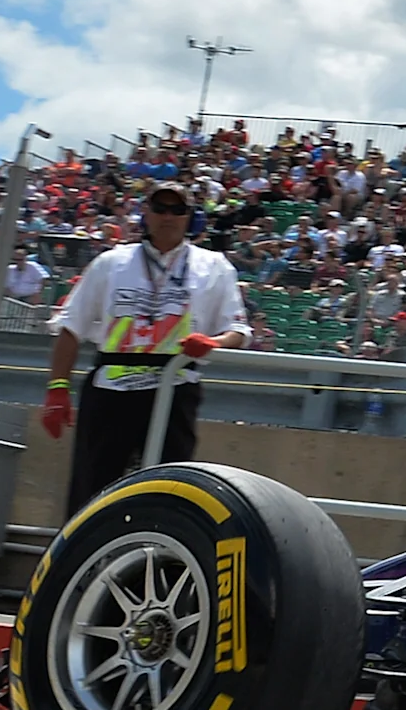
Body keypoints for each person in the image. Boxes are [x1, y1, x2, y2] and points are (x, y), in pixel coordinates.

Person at [41, 185, 252, 511]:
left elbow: (237, 330)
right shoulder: (111, 262)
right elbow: (70, 326)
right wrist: (57, 389)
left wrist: (213, 343)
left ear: (190, 218)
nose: (168, 216)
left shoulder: (214, 266)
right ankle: (86, 543)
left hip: (175, 385)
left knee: (169, 490)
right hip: (111, 387)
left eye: (177, 210)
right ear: (146, 213)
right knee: (92, 486)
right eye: (160, 208)